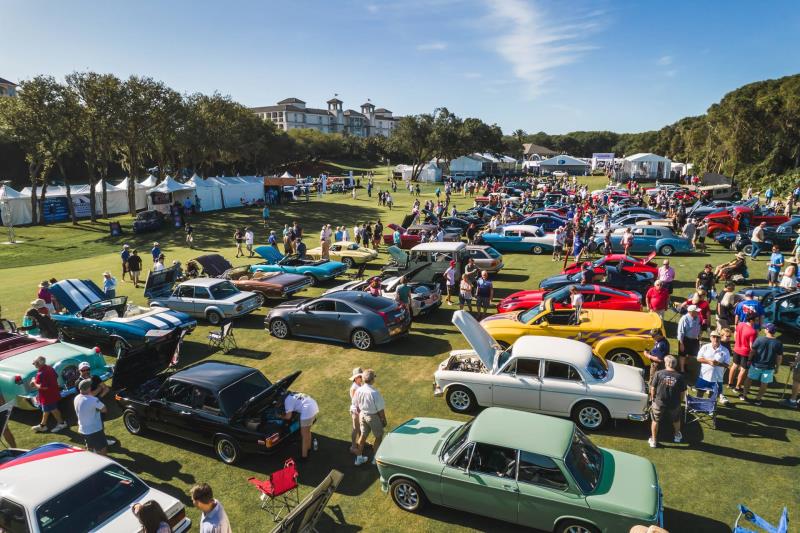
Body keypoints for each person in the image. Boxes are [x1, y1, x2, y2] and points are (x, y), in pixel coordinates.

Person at [648, 355, 687, 448]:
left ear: (666, 363)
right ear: (675, 364)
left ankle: (653, 440)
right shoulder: (680, 377)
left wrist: (652, 398)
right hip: (674, 403)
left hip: (659, 402)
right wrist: (680, 401)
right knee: (676, 420)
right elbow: (683, 392)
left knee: (655, 420)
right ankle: (677, 436)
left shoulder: (658, 373)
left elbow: (652, 388)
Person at [743, 323, 783, 405]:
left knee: (749, 379)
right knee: (764, 384)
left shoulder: (759, 339)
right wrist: (777, 367)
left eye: (765, 328)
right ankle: (758, 399)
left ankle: (744, 396)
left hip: (756, 365)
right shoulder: (778, 343)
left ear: (767, 330)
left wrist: (749, 360)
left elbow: (752, 351)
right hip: (769, 368)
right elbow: (779, 357)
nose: (764, 329)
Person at [354, 369, 387, 466]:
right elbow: (380, 409)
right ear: (372, 380)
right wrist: (383, 420)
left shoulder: (358, 390)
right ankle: (375, 459)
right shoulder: (374, 393)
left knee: (363, 435)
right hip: (372, 417)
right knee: (379, 436)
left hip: (362, 415)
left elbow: (356, 404)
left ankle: (359, 458)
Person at [30, 356, 67, 433]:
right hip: (53, 393)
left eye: (35, 363)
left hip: (47, 396)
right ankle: (42, 425)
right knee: (46, 410)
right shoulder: (49, 368)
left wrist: (34, 382)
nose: (34, 364)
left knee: (53, 409)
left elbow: (44, 387)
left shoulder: (41, 373)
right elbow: (55, 376)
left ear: (39, 363)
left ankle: (62, 423)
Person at [73, 378, 109, 455]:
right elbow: (104, 409)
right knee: (102, 449)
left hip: (83, 429)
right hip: (94, 429)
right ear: (89, 388)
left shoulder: (76, 398)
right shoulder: (93, 400)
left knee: (90, 447)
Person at [696, 330, 731, 405]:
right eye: (713, 337)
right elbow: (699, 358)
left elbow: (727, 364)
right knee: (700, 392)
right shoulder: (705, 347)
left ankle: (709, 407)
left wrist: (718, 363)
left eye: (717, 337)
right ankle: (697, 405)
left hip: (717, 378)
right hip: (704, 376)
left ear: (720, 338)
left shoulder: (725, 350)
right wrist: (709, 362)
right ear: (710, 338)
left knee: (713, 394)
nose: (715, 339)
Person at [282, 392, 319, 460]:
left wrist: (280, 416)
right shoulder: (292, 394)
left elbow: (288, 417)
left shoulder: (287, 401)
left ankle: (304, 457)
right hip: (313, 405)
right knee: (307, 431)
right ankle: (308, 448)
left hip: (308, 410)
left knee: (304, 435)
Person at [731, 312, 759, 397]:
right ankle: (737, 387)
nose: (758, 321)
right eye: (756, 320)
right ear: (751, 320)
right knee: (743, 370)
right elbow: (751, 346)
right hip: (745, 352)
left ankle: (730, 383)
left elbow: (735, 334)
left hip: (736, 349)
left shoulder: (740, 324)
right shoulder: (753, 331)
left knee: (734, 366)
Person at [677, 305, 701, 373]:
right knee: (683, 355)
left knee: (691, 355)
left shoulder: (698, 317)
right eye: (696, 311)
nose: (698, 312)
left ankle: (685, 365)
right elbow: (681, 332)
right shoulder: (684, 319)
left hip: (694, 339)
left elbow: (698, 327)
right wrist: (681, 343)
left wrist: (698, 335)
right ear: (691, 312)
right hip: (685, 339)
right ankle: (682, 370)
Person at [349, 368, 363, 454]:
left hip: (360, 410)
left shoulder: (360, 385)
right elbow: (355, 401)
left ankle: (361, 442)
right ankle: (353, 446)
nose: (361, 377)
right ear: (355, 378)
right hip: (356, 411)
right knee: (355, 428)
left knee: (360, 428)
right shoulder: (354, 388)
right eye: (360, 376)